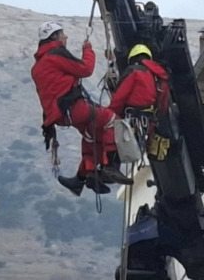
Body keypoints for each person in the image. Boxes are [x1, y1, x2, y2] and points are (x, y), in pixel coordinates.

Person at [32, 21, 134, 196]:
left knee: (92, 134)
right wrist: (87, 49)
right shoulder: (56, 55)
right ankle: (110, 165)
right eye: (62, 34)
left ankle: (83, 177)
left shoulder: (38, 66)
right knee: (112, 120)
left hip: (61, 116)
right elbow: (86, 69)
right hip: (74, 108)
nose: (66, 37)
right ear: (55, 36)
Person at [108, 44, 170, 120]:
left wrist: (110, 115)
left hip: (132, 120)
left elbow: (120, 97)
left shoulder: (134, 71)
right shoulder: (159, 75)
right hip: (151, 122)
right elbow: (163, 107)